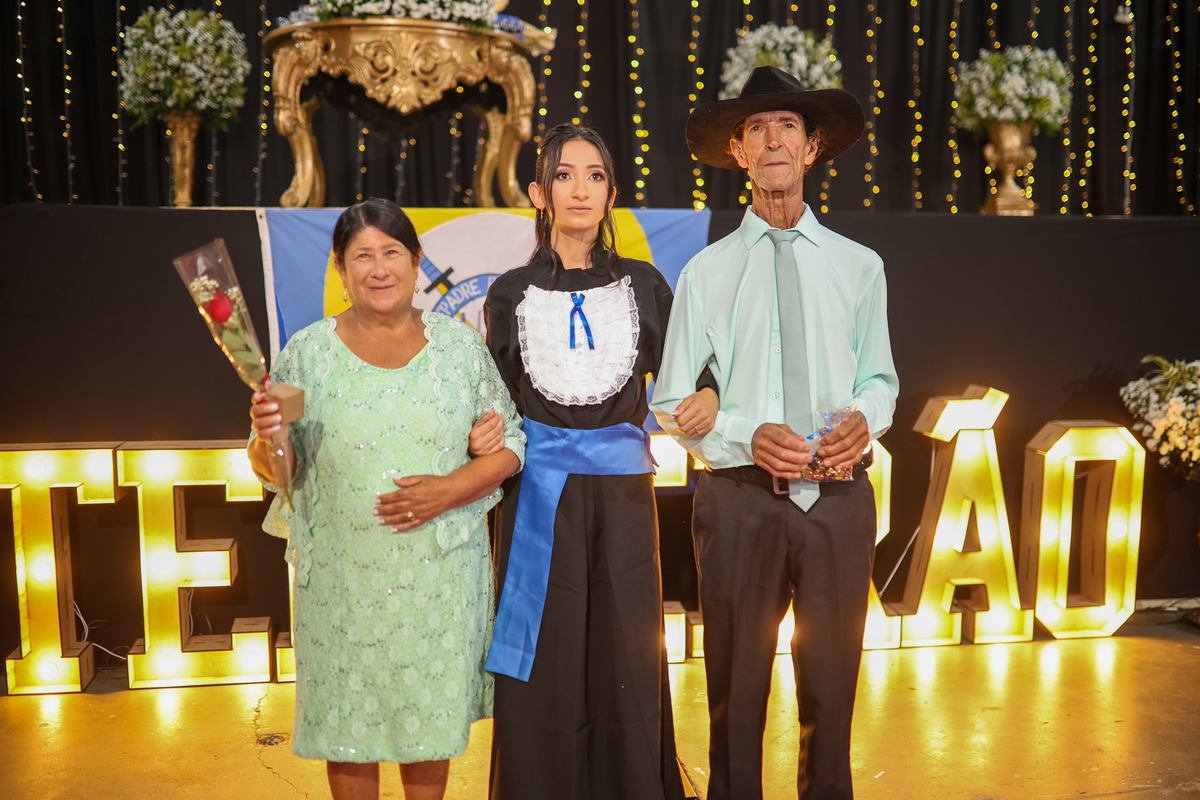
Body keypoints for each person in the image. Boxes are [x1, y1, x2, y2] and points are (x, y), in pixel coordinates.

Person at [650, 66, 900, 800]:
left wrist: (866, 417)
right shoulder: (704, 273)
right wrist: (742, 435)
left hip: (838, 500)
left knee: (833, 688)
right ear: (738, 152)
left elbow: (881, 378)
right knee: (734, 694)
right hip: (738, 503)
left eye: (788, 125)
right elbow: (671, 400)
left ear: (812, 147)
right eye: (756, 128)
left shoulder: (860, 267)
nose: (773, 140)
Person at [247, 198, 525, 800]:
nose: (379, 269)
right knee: (347, 725)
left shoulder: (460, 349)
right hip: (341, 582)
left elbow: (511, 446)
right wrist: (271, 437)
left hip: (438, 578)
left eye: (392, 253)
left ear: (417, 262)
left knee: (427, 722)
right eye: (362, 256)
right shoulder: (305, 354)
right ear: (340, 269)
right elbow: (279, 473)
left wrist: (450, 489)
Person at [477, 122, 717, 800]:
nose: (579, 189)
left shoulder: (644, 284)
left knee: (627, 653)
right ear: (538, 193)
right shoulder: (509, 293)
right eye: (563, 175)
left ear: (612, 194)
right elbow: (492, 399)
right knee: (544, 656)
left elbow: (691, 372)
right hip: (537, 497)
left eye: (595, 175)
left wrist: (707, 392)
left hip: (623, 499)